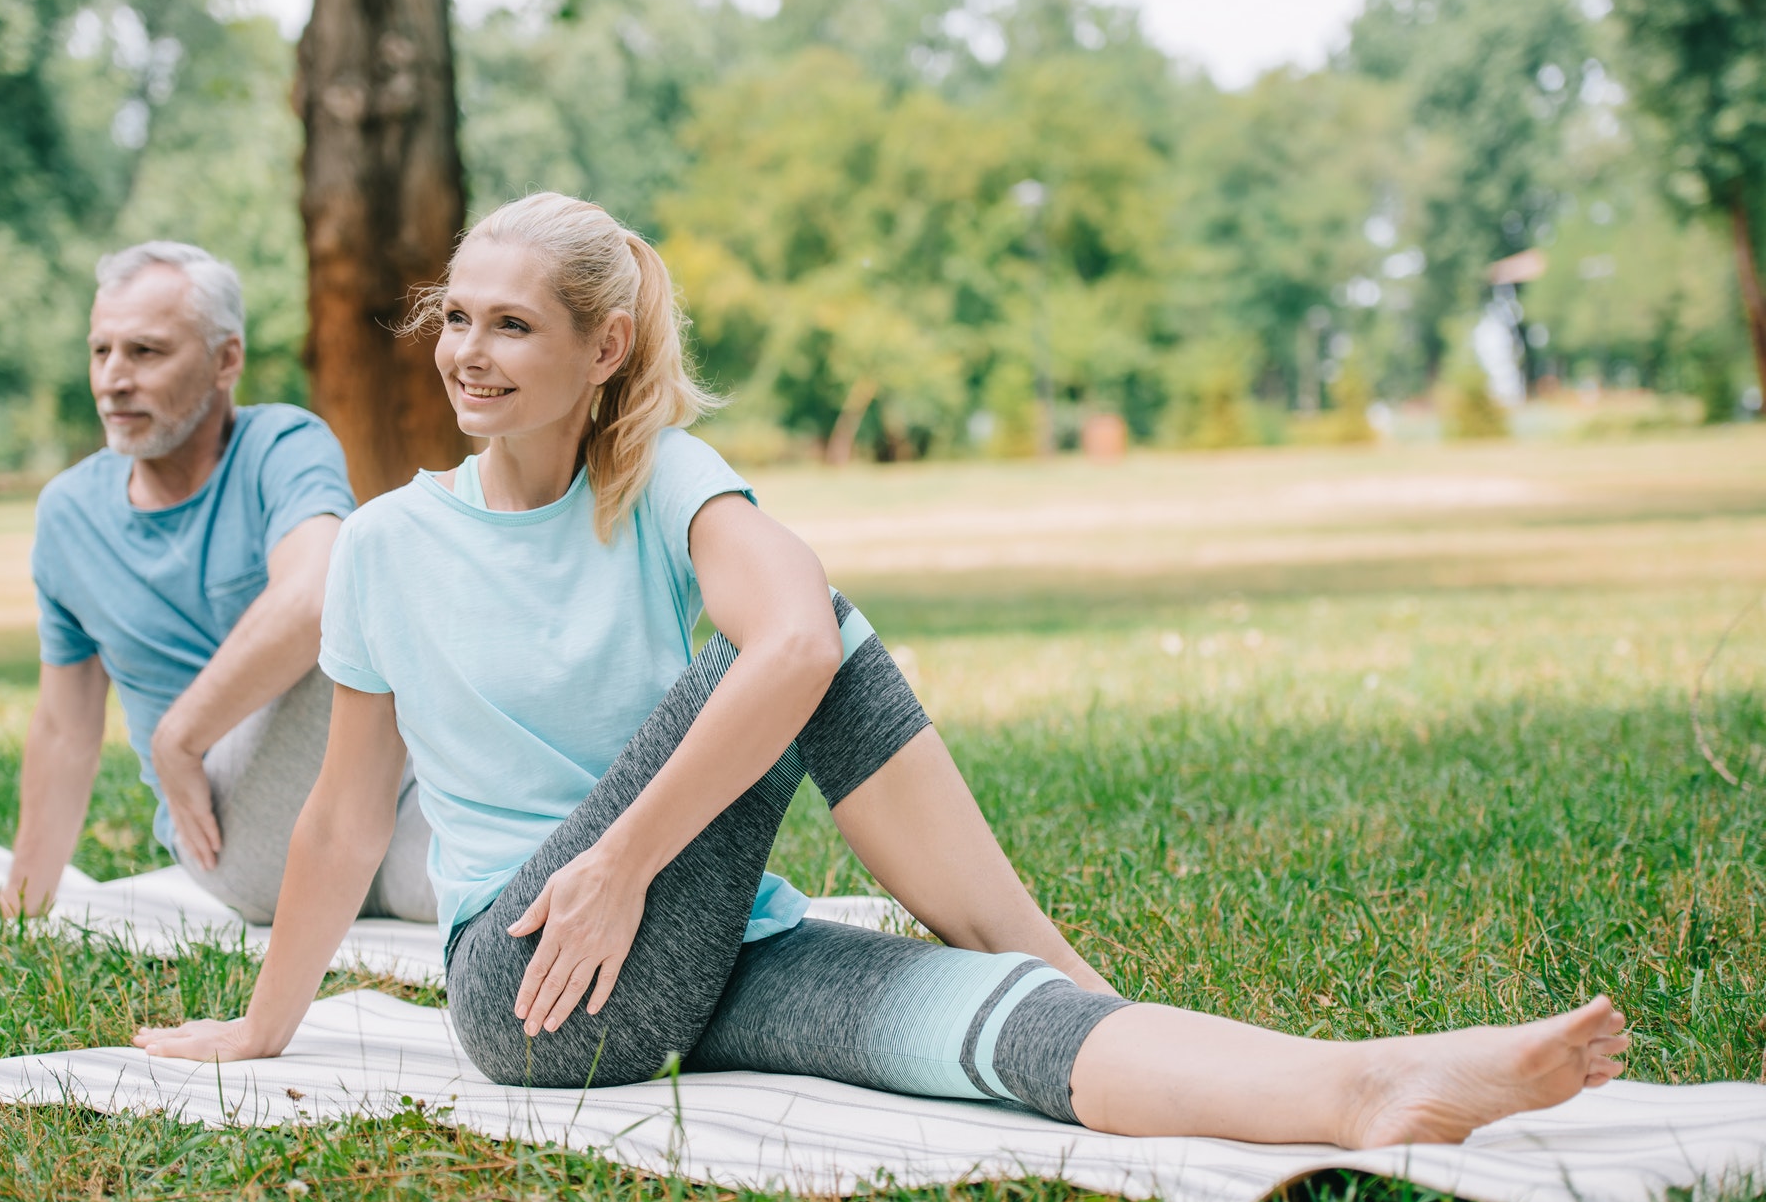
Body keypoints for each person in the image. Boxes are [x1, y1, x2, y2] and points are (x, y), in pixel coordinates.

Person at [134, 194, 1628, 1144]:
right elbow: (340, 817)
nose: (467, 349)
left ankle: (1356, 1086)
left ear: (603, 350)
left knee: (1000, 1034)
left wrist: (634, 868)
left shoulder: (665, 481)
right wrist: (267, 1023)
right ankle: (1044, 943)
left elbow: (782, 643)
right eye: (457, 316)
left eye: (510, 322)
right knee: (809, 628)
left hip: (713, 952)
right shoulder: (393, 544)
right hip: (528, 986)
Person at [0, 242, 435, 926]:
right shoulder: (69, 513)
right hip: (231, 826)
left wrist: (179, 731)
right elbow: (65, 725)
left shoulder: (281, 444)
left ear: (226, 359)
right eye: (101, 351)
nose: (113, 379)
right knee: (371, 580)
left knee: (514, 887)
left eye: (145, 352)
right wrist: (25, 889)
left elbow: (314, 590)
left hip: (387, 795)